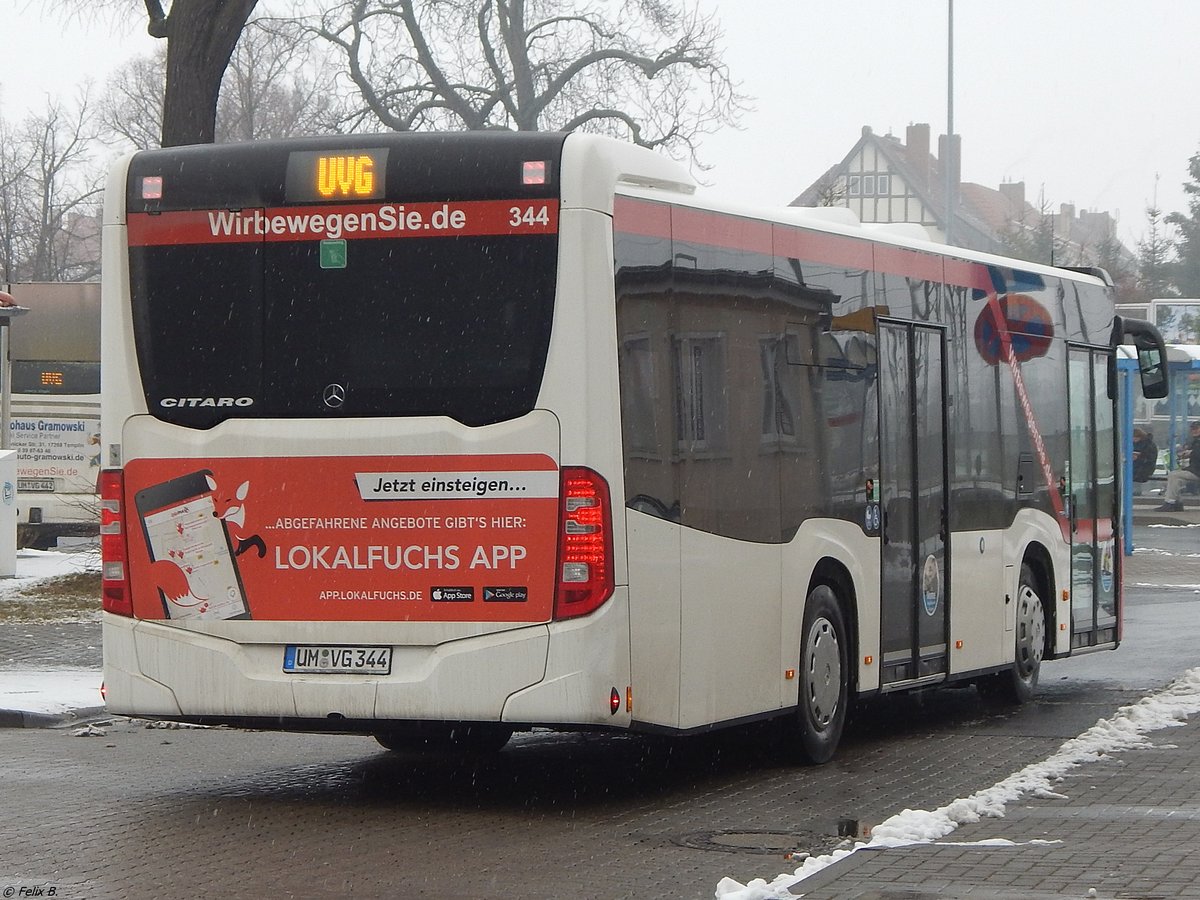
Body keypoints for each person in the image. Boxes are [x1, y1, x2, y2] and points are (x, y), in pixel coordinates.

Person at [1157, 421, 1200, 510]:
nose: (1194, 431)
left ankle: (1170, 502)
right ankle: (1176, 503)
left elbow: (1197, 454)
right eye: (1192, 429)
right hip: (1195, 470)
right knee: (1176, 478)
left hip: (1197, 471)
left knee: (1174, 475)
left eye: (1196, 429)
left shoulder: (1197, 441)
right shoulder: (1195, 441)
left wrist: (1191, 453)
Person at [1131, 427, 1158, 493]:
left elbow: (1150, 458)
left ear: (1139, 437)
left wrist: (1138, 457)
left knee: (1135, 474)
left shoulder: (1149, 445)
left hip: (1145, 467)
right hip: (1137, 466)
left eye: (1134, 438)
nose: (1133, 440)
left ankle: (1136, 491)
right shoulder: (1136, 444)